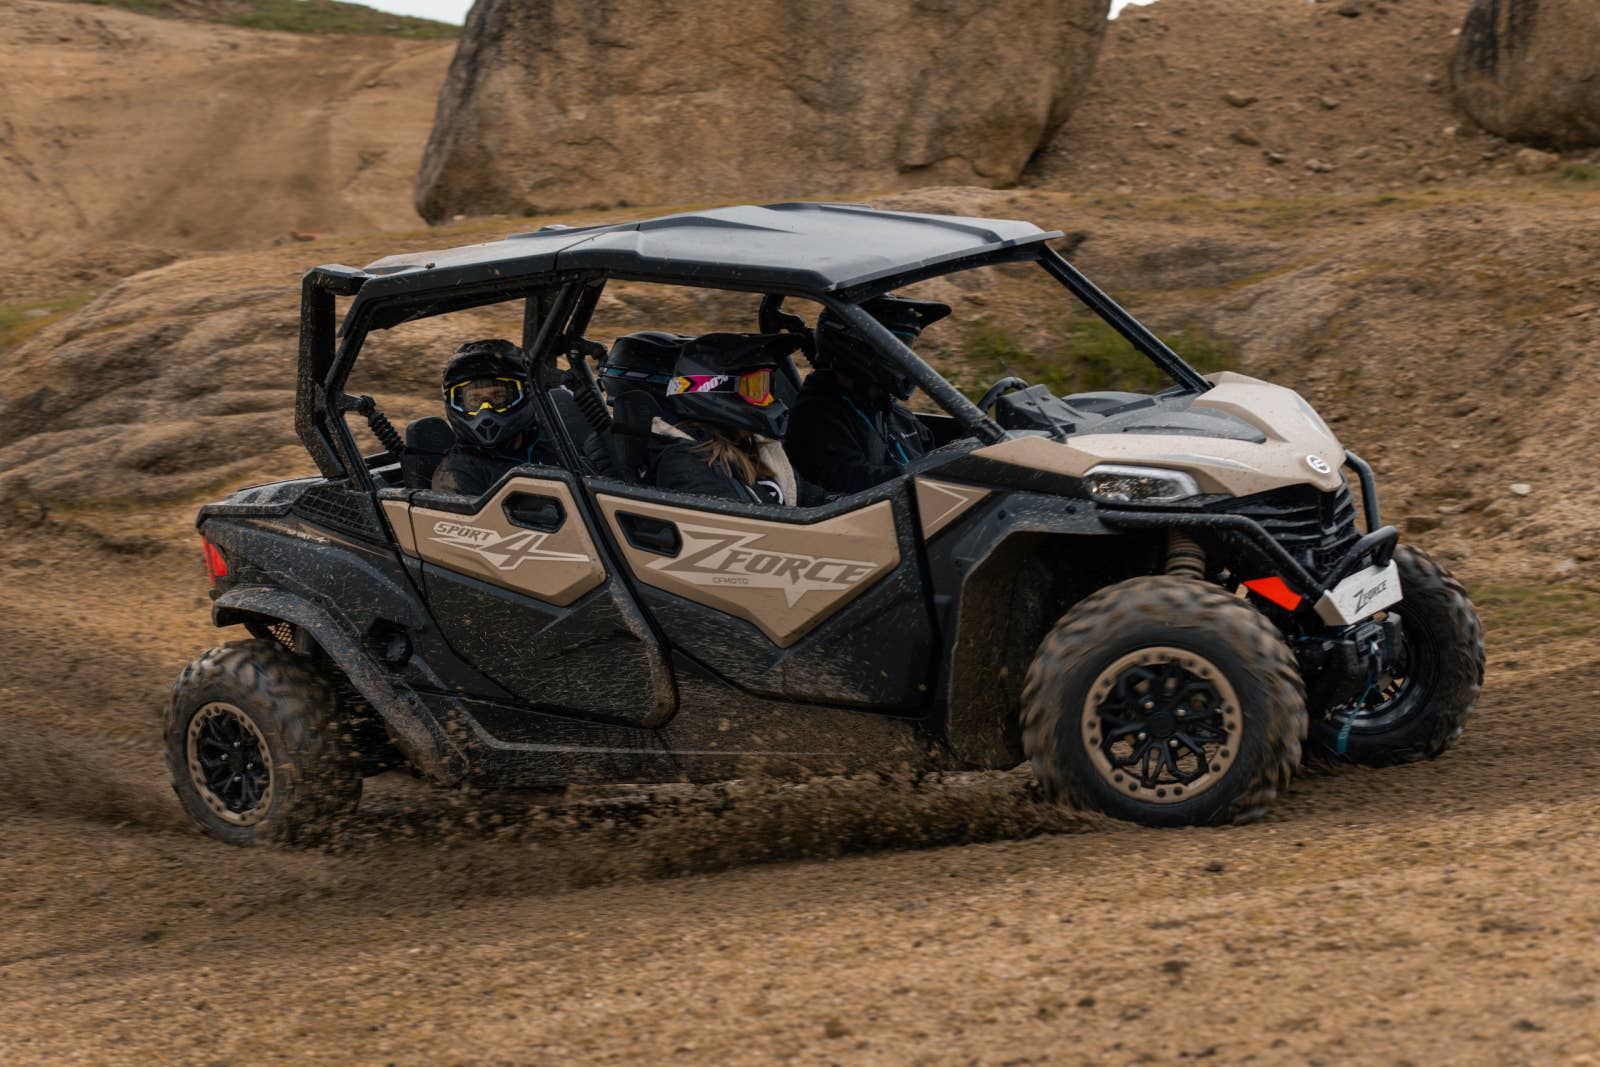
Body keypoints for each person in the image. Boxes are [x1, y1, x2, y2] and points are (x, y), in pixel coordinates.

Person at [783, 294, 951, 495]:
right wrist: (937, 475)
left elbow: (931, 451)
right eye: (892, 349)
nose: (904, 360)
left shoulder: (893, 413)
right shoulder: (817, 417)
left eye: (906, 348)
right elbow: (857, 484)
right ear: (854, 349)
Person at [652, 333, 826, 506]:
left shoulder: (757, 446)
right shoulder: (684, 464)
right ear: (714, 392)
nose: (769, 400)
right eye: (755, 389)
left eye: (767, 387)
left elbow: (815, 502)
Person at [433, 339, 560, 496]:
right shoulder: (456, 474)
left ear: (523, 394)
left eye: (498, 396)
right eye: (474, 400)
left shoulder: (552, 439)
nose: (486, 409)